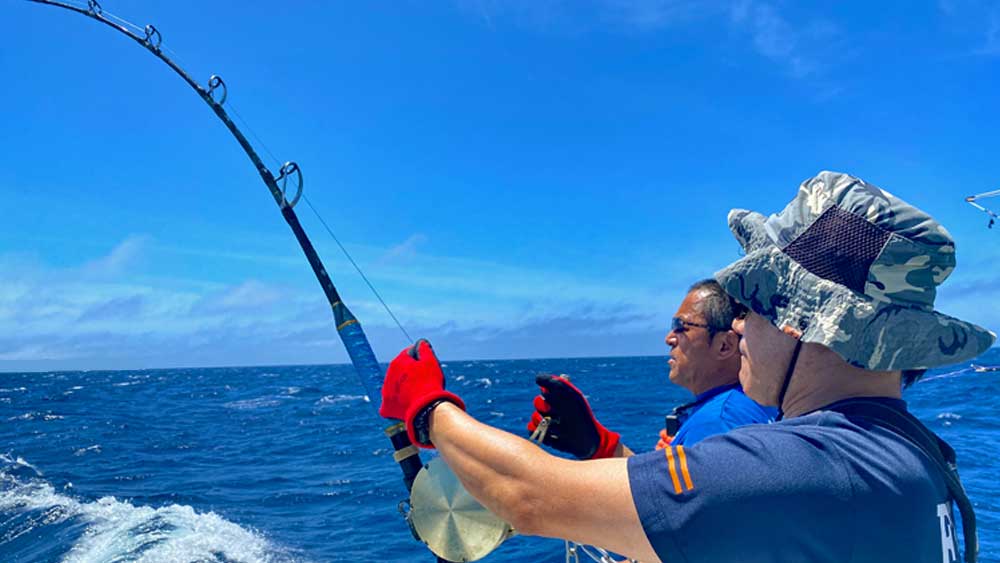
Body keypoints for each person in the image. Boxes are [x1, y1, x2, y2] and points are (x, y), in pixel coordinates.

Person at [379, 171, 993, 563]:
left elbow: (530, 497)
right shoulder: (915, 454)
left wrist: (430, 410)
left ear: (802, 321)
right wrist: (599, 445)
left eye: (752, 303)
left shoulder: (807, 466)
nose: (738, 325)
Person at [524, 279, 775, 464]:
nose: (669, 338)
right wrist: (602, 446)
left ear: (724, 345)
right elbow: (665, 506)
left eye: (681, 327)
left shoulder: (715, 424)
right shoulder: (749, 406)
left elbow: (668, 530)